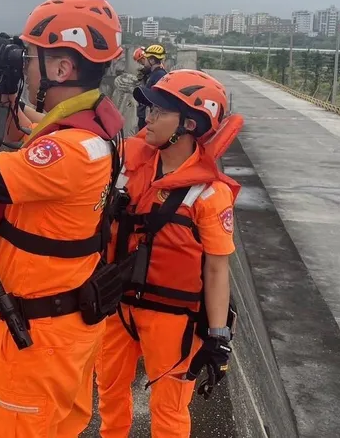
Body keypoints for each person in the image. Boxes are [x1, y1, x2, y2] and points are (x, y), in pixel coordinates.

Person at [0, 0, 125, 436]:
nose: (26, 66)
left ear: (61, 68)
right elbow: (34, 127)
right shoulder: (96, 126)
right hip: (70, 326)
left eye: (32, 58)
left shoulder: (67, 154)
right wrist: (8, 93)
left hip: (38, 341)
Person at [96, 69, 241, 438]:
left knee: (169, 407)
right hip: (115, 304)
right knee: (109, 393)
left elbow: (216, 270)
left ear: (189, 123)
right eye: (150, 109)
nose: (149, 118)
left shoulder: (209, 194)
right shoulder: (127, 161)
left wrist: (218, 335)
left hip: (173, 318)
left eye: (160, 112)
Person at [136, 44, 168, 131]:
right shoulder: (154, 74)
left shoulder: (158, 75)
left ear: (152, 61)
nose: (144, 62)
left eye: (145, 59)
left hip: (152, 116)